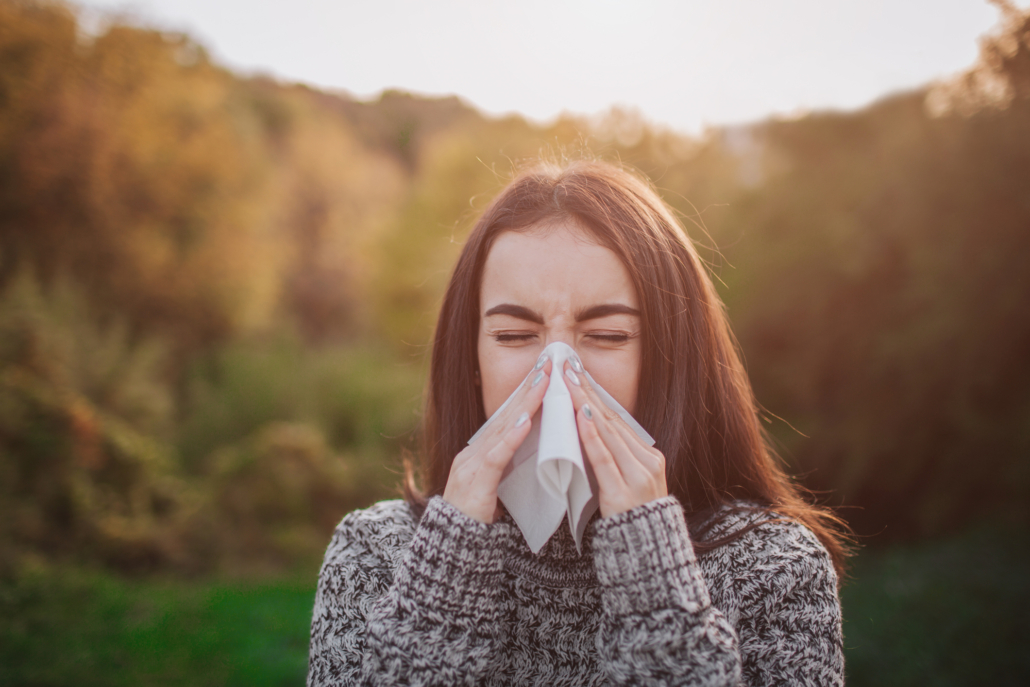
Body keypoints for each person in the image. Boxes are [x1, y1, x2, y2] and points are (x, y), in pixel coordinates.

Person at [307, 159, 850, 686]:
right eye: (515, 337)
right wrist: (445, 576)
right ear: (470, 361)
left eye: (609, 335)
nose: (559, 375)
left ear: (670, 357)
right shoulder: (376, 555)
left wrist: (654, 582)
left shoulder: (774, 569)